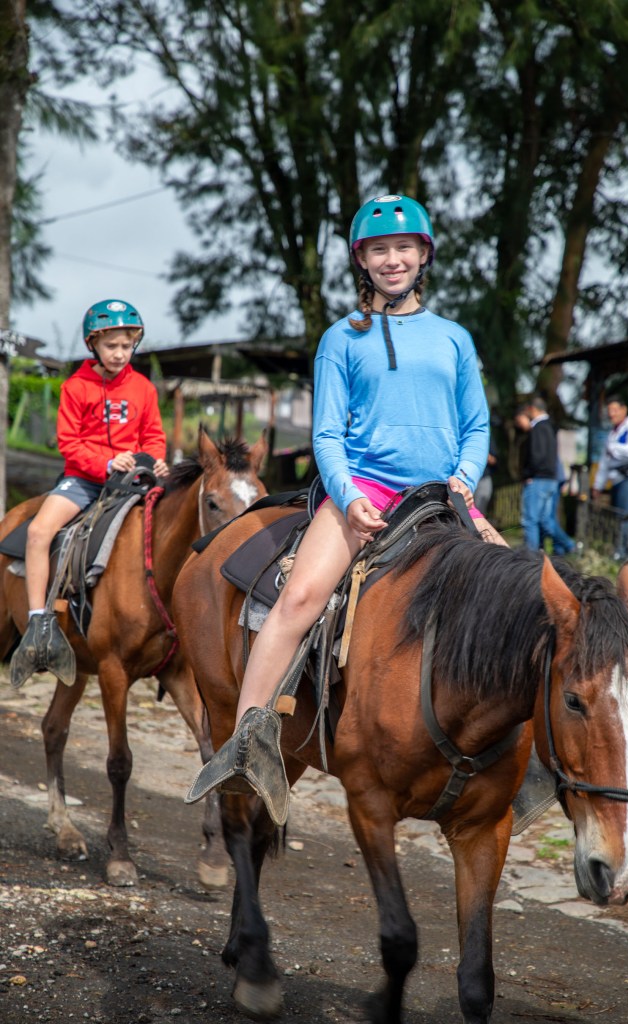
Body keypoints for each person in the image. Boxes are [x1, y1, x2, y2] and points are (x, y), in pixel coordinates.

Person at [188, 193, 503, 826]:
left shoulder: (454, 339)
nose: (393, 259)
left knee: (522, 602)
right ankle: (245, 745)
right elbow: (328, 435)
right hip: (366, 490)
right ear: (362, 260)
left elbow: (475, 426)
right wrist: (351, 498)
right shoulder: (341, 339)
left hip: (444, 496)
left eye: (404, 247)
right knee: (298, 600)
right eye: (379, 250)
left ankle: (531, 765)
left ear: (424, 255)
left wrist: (464, 481)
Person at [10, 298, 169, 690]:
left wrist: (157, 462)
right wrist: (107, 461)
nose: (119, 353)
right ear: (93, 344)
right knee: (37, 532)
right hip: (83, 481)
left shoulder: (144, 388)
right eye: (111, 345)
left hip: (132, 484)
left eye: (127, 345)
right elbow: (69, 442)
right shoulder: (75, 387)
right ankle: (38, 622)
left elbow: (153, 435)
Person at [591, 394, 628, 561]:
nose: (612, 414)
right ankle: (620, 551)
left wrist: (615, 449)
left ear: (624, 410)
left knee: (625, 516)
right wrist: (598, 485)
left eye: (615, 410)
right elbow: (604, 463)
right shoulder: (611, 434)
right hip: (616, 479)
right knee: (618, 516)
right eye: (609, 410)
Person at [520, 396, 578, 556]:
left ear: (532, 409)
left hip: (538, 479)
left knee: (530, 520)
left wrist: (529, 474)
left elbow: (537, 456)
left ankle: (531, 557)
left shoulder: (538, 427)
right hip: (551, 479)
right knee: (546, 520)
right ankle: (568, 546)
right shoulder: (551, 426)